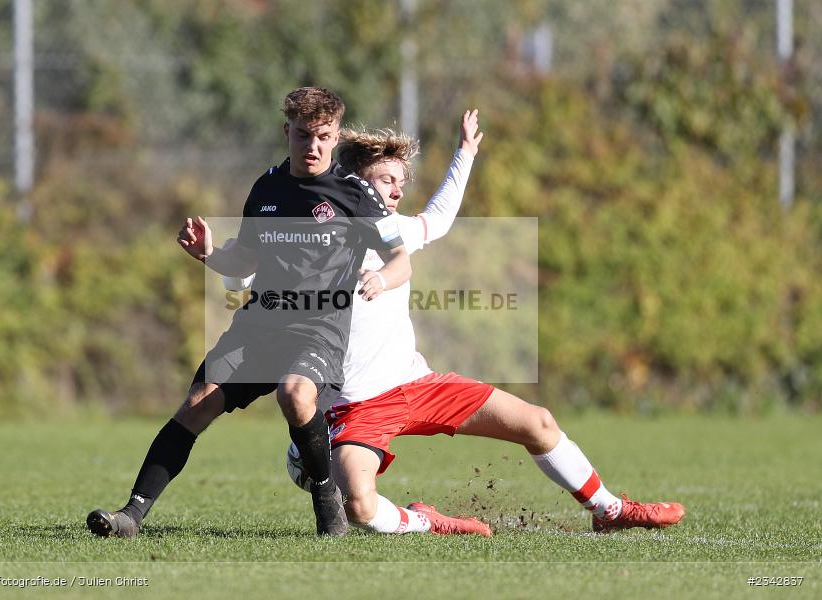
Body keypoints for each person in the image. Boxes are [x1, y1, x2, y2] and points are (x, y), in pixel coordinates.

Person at [280, 109, 686, 536]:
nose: (398, 191)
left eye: (401, 181)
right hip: (358, 407)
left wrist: (466, 153)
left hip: (418, 385)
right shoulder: (310, 239)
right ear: (357, 184)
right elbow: (254, 270)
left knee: (539, 422)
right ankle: (428, 521)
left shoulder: (396, 231)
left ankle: (610, 510)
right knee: (360, 506)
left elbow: (438, 218)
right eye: (387, 180)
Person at [86, 87, 412, 538]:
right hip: (259, 325)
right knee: (197, 403)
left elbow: (401, 259)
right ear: (287, 132)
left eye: (322, 136)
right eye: (302, 135)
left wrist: (382, 278)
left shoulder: (355, 194)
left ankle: (325, 497)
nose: (312, 146)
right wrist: (208, 254)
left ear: (336, 137)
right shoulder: (267, 188)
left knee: (296, 395)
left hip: (318, 329)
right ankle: (131, 515)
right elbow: (245, 260)